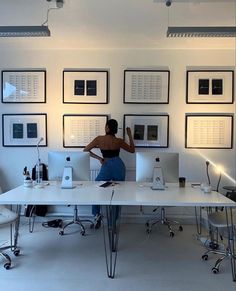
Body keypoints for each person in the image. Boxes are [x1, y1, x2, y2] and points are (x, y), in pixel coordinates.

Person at [83, 119, 135, 228]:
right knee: (118, 193)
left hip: (106, 164)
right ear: (115, 129)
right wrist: (129, 135)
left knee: (96, 188)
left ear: (107, 127)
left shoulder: (99, 139)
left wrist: (99, 158)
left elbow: (86, 150)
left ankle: (96, 215)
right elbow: (132, 150)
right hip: (118, 165)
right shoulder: (119, 141)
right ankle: (113, 222)